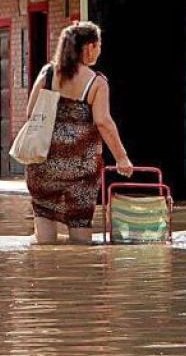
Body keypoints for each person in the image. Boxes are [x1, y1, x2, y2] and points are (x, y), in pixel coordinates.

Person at [25, 21, 133, 245]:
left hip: (43, 163)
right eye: (99, 45)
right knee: (80, 227)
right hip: (81, 170)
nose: (100, 50)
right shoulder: (96, 82)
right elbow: (103, 122)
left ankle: (45, 274)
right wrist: (122, 158)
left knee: (44, 223)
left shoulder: (48, 73)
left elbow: (31, 112)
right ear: (90, 47)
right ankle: (81, 276)